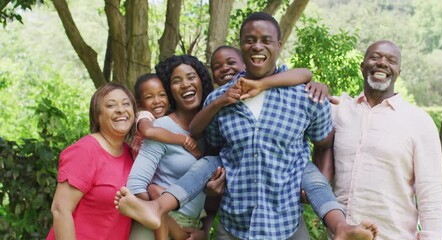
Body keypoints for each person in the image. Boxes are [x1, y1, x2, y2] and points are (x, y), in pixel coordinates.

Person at [115, 13, 377, 240]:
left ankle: (340, 227)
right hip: (234, 226)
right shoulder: (219, 100)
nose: (257, 46)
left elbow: (323, 144)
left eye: (266, 40)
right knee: (207, 162)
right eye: (250, 40)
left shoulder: (307, 95)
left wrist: (312, 188)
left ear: (279, 45)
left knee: (309, 171)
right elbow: (213, 147)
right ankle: (157, 208)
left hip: (286, 224)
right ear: (241, 46)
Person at [323, 40, 442, 240]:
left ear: (398, 71)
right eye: (375, 57)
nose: (382, 63)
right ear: (362, 67)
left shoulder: (419, 122)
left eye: (391, 60)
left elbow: (430, 194)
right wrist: (315, 86)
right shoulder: (339, 112)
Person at [125, 55, 217, 240]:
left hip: (193, 230)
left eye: (191, 77)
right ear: (170, 90)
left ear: (201, 81)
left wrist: (204, 231)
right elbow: (135, 186)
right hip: (154, 230)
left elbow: (213, 200)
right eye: (177, 81)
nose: (185, 84)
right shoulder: (163, 127)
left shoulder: (214, 132)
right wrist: (173, 227)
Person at [46, 83, 136, 240]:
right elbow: (61, 209)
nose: (121, 109)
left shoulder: (131, 154)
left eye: (126, 104)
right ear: (97, 115)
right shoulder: (85, 150)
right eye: (111, 105)